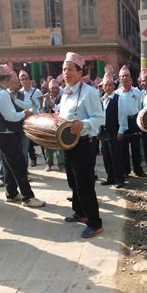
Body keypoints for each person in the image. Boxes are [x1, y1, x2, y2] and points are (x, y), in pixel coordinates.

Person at [59, 52, 105, 238]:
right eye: (64, 69)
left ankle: (95, 223)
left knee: (85, 184)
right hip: (68, 145)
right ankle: (81, 212)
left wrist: (83, 125)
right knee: (73, 181)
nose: (66, 73)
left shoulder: (90, 92)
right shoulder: (65, 93)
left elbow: (100, 117)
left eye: (70, 69)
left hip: (83, 144)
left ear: (80, 72)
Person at [0, 64, 45, 208]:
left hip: (0, 132)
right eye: (11, 79)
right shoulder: (1, 93)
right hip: (7, 133)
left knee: (8, 164)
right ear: (6, 78)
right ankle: (28, 197)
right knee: (19, 165)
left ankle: (11, 193)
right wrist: (25, 113)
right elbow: (11, 116)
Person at [116, 65, 147, 178]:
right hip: (122, 122)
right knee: (123, 148)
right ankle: (126, 171)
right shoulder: (117, 94)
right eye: (123, 76)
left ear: (131, 78)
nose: (125, 78)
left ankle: (138, 170)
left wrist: (140, 124)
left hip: (134, 121)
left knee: (136, 148)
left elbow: (141, 108)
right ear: (120, 79)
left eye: (127, 76)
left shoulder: (137, 92)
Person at [100, 72, 127, 188]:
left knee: (116, 156)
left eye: (110, 85)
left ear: (114, 86)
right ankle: (110, 177)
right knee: (106, 156)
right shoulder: (102, 99)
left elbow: (122, 115)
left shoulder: (118, 99)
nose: (108, 87)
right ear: (102, 87)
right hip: (104, 132)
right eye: (106, 85)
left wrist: (121, 130)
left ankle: (119, 179)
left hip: (115, 131)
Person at [19, 70, 44, 167]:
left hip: (37, 119)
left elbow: (42, 106)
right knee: (28, 141)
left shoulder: (37, 91)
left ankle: (47, 160)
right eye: (22, 79)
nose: (25, 81)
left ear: (30, 80)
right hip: (26, 120)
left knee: (41, 139)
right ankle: (33, 158)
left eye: (26, 79)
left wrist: (34, 103)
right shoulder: (20, 93)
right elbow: (20, 106)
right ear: (20, 81)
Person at [42, 78, 63, 172]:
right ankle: (49, 163)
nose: (54, 90)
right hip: (48, 124)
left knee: (60, 144)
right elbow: (42, 111)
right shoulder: (46, 98)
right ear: (49, 89)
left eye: (56, 88)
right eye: (52, 88)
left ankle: (61, 164)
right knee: (48, 145)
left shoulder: (62, 98)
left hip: (59, 124)